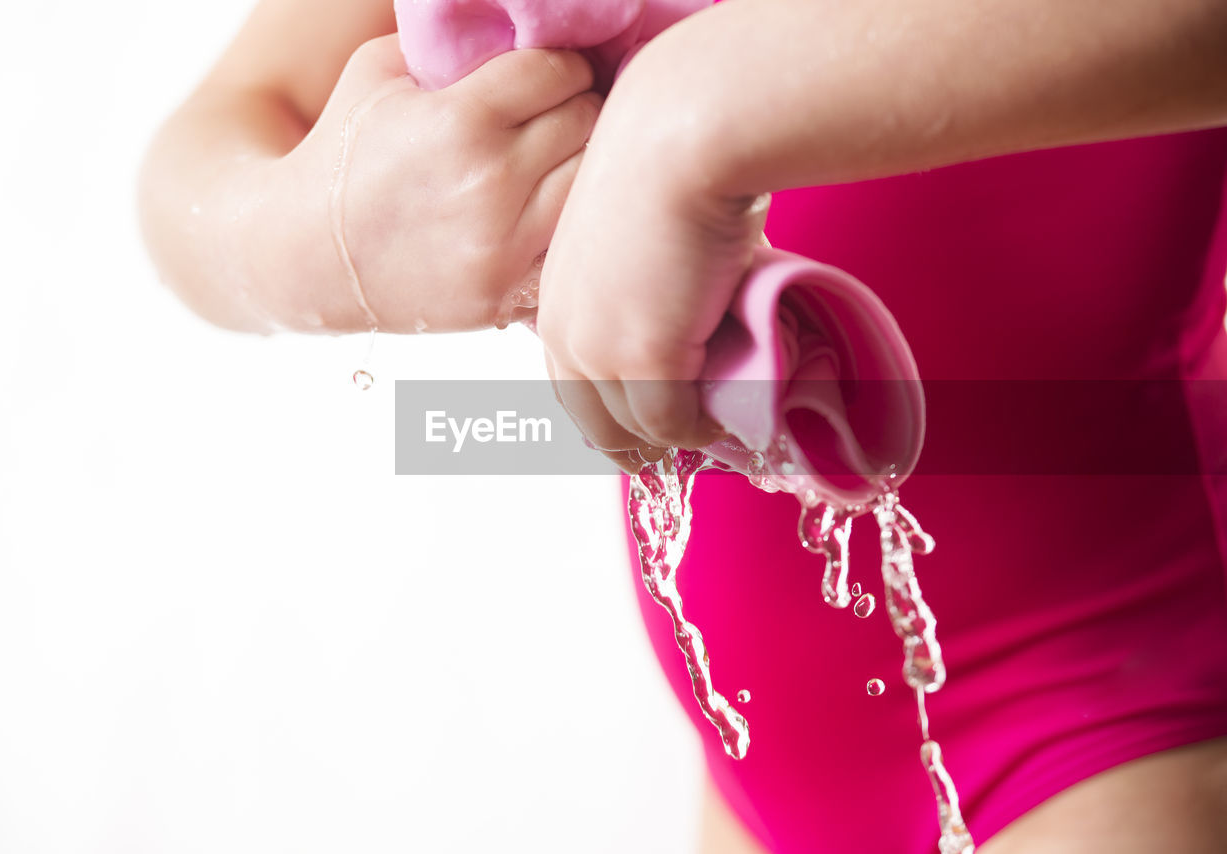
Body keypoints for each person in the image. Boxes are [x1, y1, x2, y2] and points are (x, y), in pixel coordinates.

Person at [138, 1, 1227, 850]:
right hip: (752, 776)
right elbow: (235, 121)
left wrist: (703, 107)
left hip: (1107, 720)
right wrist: (314, 226)